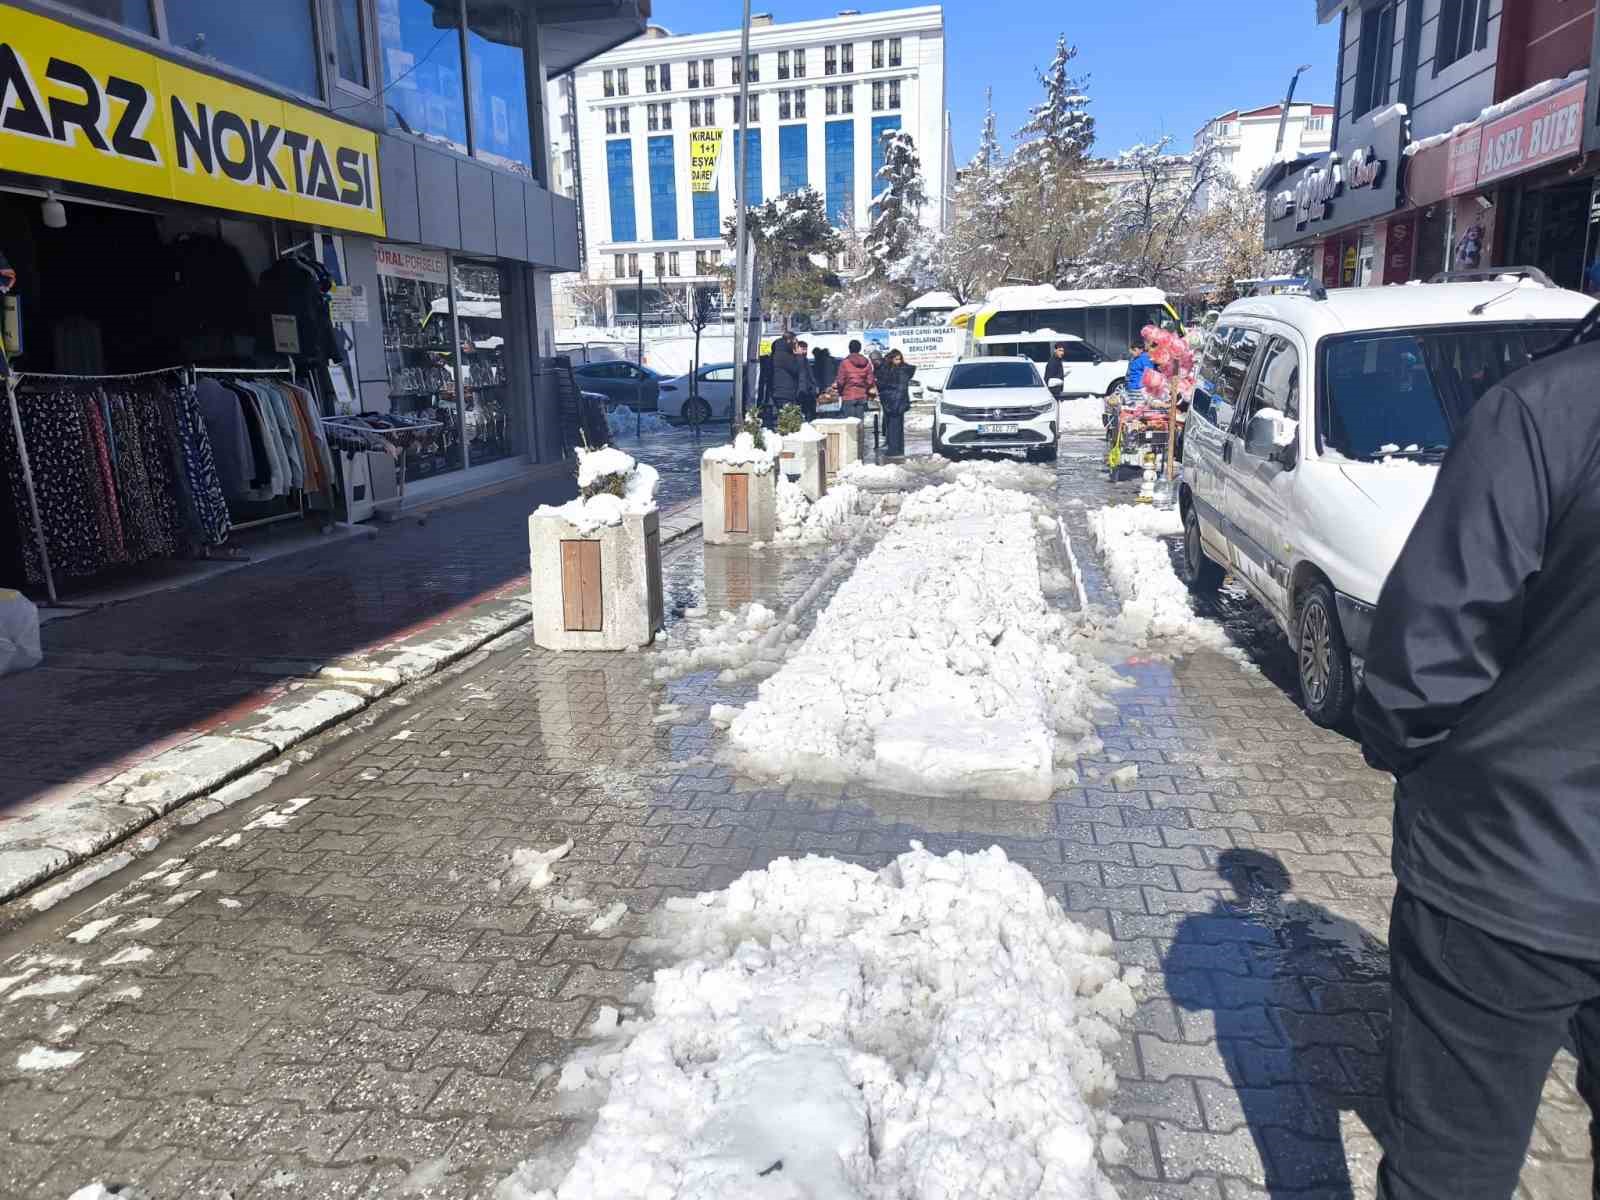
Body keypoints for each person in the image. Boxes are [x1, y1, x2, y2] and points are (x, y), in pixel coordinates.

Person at [1353, 337, 1600, 1200]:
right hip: (1522, 857)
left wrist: (1407, 751)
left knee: (1450, 1172)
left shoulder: (1547, 410)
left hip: (1507, 869)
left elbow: (1425, 658)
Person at [875, 348, 916, 458]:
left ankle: (895, 450)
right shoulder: (889, 370)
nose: (898, 361)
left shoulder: (901, 371)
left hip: (896, 402)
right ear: (891, 359)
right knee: (894, 427)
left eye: (900, 359)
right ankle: (897, 449)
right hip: (893, 402)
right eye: (896, 359)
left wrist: (893, 401)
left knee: (895, 427)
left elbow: (900, 389)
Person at [834, 339, 874, 420]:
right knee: (859, 424)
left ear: (849, 348)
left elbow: (840, 381)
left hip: (848, 396)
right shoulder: (867, 363)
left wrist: (840, 391)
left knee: (850, 425)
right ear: (860, 349)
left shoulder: (844, 363)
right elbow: (870, 381)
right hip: (862, 397)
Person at [769, 331, 800, 425]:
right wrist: (798, 355)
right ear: (789, 341)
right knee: (788, 421)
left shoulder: (776, 354)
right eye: (795, 342)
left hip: (778, 391)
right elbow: (796, 369)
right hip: (785, 392)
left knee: (784, 418)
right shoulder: (785, 356)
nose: (796, 344)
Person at [794, 339, 817, 421]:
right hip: (802, 393)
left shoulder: (804, 360)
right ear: (797, 349)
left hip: (807, 392)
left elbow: (809, 376)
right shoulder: (799, 360)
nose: (805, 351)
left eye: (806, 348)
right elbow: (802, 377)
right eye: (802, 348)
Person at [810, 345, 834, 420]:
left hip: (823, 388)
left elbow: (817, 376)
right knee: (832, 412)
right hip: (833, 388)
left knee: (823, 412)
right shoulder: (833, 360)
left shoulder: (818, 362)